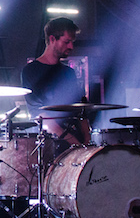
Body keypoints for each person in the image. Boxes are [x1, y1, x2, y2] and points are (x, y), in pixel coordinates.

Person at [21, 17, 90, 156]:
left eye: (72, 42)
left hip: (77, 142)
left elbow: (81, 110)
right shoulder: (31, 71)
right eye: (66, 42)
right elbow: (38, 113)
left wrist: (87, 141)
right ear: (52, 39)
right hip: (50, 143)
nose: (71, 46)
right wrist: (72, 141)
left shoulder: (69, 73)